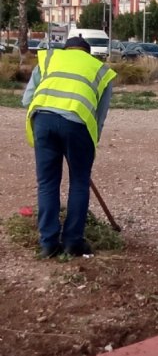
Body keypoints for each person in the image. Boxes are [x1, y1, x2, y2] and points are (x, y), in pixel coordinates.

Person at [22, 36, 117, 258]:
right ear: (87, 53)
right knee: (79, 182)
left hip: (43, 122)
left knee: (47, 183)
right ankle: (73, 242)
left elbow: (27, 100)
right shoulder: (100, 69)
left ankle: (48, 244)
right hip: (78, 124)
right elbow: (99, 116)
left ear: (66, 49)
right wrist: (88, 148)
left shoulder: (49, 59)